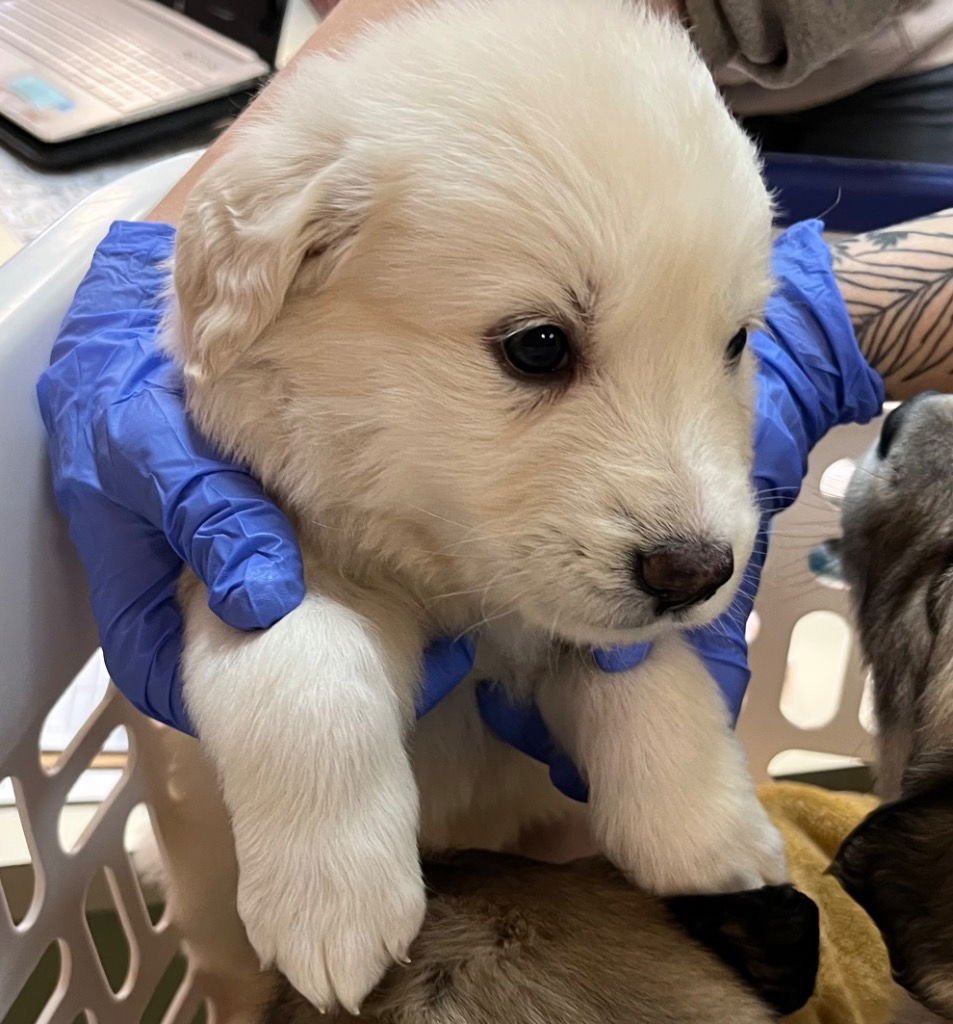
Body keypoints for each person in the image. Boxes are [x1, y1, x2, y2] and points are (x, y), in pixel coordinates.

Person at [36, 0, 953, 809]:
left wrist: (805, 322)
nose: (696, 533)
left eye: (735, 342)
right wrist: (224, 246)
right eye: (537, 348)